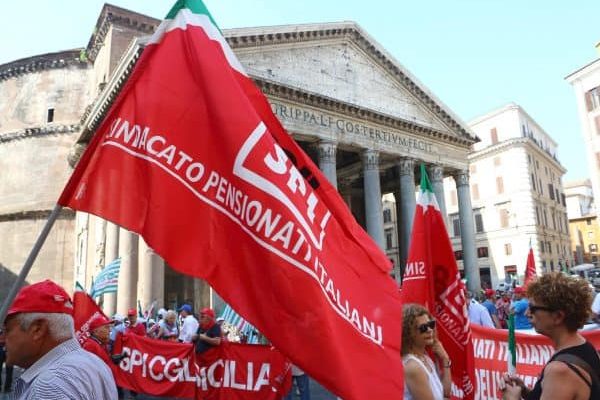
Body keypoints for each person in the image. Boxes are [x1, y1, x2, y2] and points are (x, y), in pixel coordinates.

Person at [4, 279, 117, 399]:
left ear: (38, 329)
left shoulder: (48, 386)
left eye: (8, 329)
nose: (3, 338)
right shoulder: (95, 362)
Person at [502, 273, 600, 399]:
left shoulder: (560, 370)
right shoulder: (583, 346)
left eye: (533, 308)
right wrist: (527, 392)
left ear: (558, 316)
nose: (527, 313)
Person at [402, 303, 451, 400]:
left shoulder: (425, 358)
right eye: (423, 328)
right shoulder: (413, 367)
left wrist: (445, 359)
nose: (429, 330)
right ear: (409, 333)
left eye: (431, 325)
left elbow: (446, 393)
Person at [0, 327, 13, 392]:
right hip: (4, 348)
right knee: (9, 370)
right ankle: (7, 388)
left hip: (7, 349)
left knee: (9, 370)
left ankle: (7, 388)